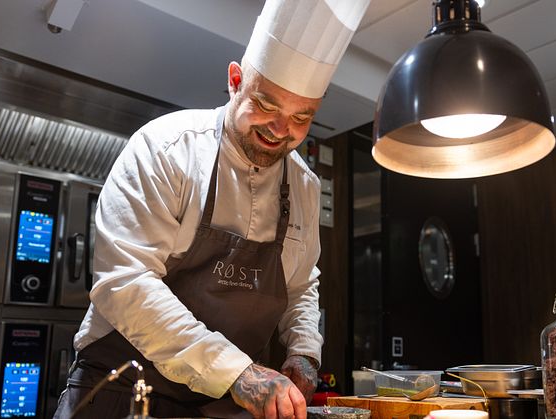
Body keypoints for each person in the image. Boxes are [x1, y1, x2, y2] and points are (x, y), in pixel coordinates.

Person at [53, 0, 371, 418]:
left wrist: (304, 352)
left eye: (301, 117)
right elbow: (125, 282)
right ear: (235, 80)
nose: (281, 131)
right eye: (268, 105)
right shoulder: (166, 149)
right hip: (122, 388)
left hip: (219, 405)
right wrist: (238, 373)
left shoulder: (305, 187)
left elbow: (300, 287)